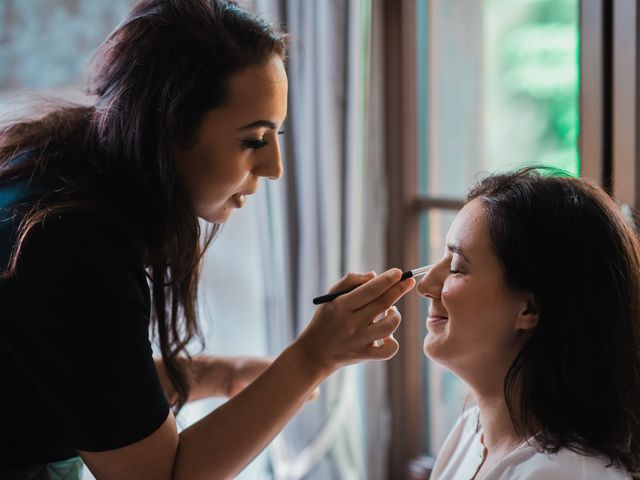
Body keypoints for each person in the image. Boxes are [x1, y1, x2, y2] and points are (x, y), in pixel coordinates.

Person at [0, 1, 416, 478]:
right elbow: (158, 475)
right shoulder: (73, 246)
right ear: (169, 127)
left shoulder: (53, 172)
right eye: (254, 140)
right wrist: (312, 358)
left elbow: (91, 382)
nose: (274, 168)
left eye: (276, 135)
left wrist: (223, 375)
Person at [417, 167, 640, 479]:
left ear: (529, 309)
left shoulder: (560, 474)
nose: (425, 284)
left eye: (456, 267)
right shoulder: (469, 432)